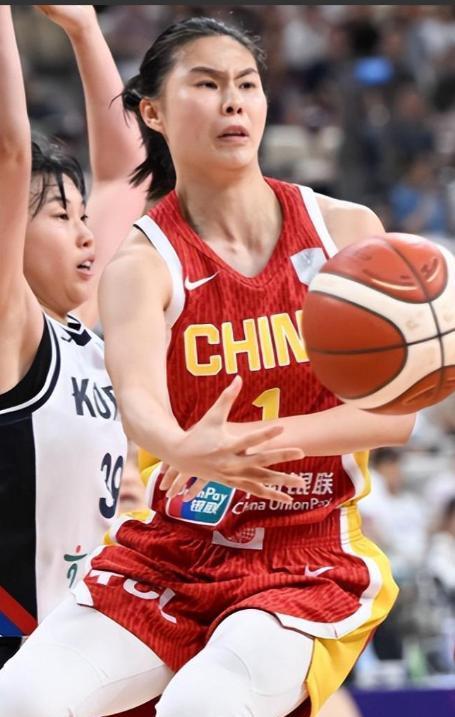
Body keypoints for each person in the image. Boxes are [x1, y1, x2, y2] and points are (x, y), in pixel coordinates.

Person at [0, 16, 416, 717]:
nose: (232, 101)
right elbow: (139, 402)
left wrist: (248, 442)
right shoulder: (140, 263)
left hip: (305, 550)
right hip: (171, 551)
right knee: (23, 696)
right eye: (207, 83)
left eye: (246, 84)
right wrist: (180, 444)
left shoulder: (345, 232)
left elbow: (396, 414)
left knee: (204, 703)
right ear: (152, 112)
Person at [0, 4, 146, 667]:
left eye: (84, 215)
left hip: (77, 647)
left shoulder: (79, 327)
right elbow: (11, 149)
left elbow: (127, 178)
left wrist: (85, 29)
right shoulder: (13, 327)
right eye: (62, 216)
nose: (88, 233)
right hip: (17, 642)